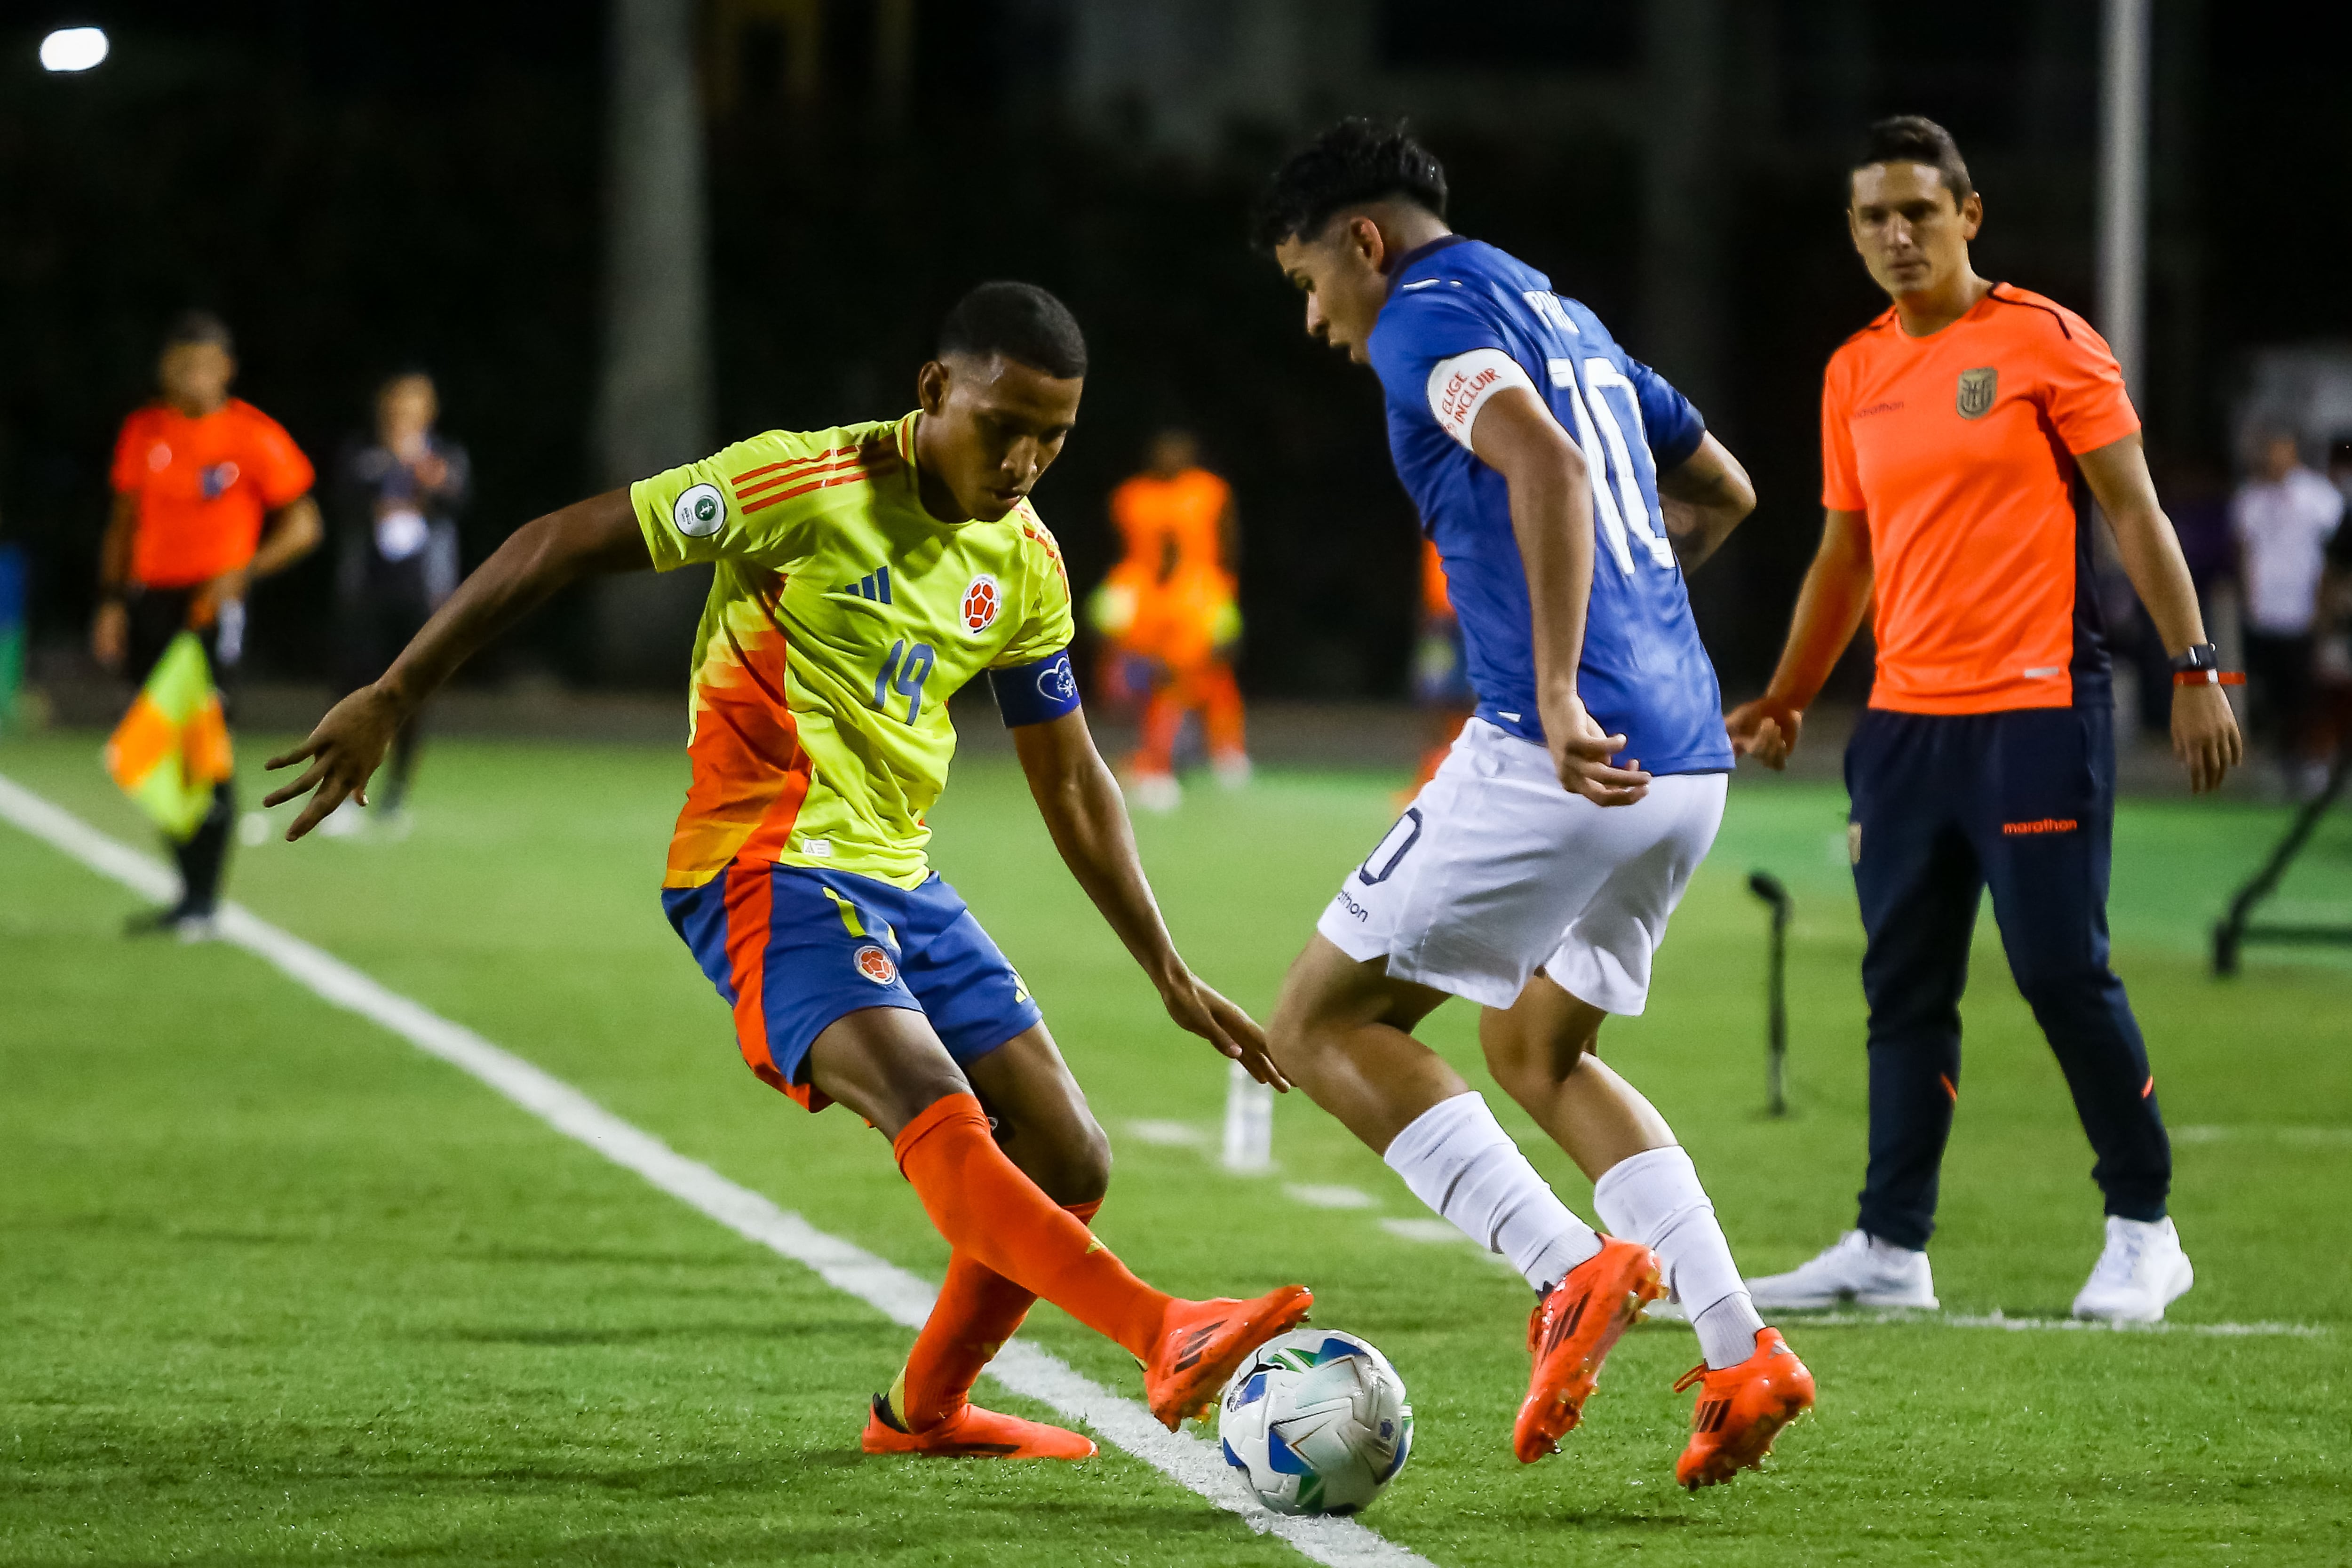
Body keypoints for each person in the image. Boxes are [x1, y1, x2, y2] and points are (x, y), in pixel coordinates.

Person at [263, 282, 1310, 1460]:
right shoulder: (802, 486)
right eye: (1003, 424)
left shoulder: (1027, 564)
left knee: (1071, 1156)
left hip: (901, 878)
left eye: (1053, 438)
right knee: (937, 1108)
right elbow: (557, 542)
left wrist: (1167, 971)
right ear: (934, 391)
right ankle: (1161, 1325)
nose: (1023, 461)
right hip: (761, 864)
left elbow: (1069, 778)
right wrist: (398, 691)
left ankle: (925, 1415)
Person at [1252, 119, 1811, 1491]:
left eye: (1308, 280)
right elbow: (1724, 488)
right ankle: (1740, 1352)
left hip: (1558, 752)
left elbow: (1547, 468)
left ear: (1362, 242)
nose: (1317, 319)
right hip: (1682, 763)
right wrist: (1639, 611)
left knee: (1317, 1027)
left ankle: (1568, 1271)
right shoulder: (1557, 306)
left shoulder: (1419, 319)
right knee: (1537, 1051)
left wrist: (1561, 688)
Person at [1728, 118, 2243, 1325]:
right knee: (1903, 987)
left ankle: (2143, 1227)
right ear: (1853, 231)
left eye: (1918, 210)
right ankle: (1888, 1246)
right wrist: (1791, 693)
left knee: (2062, 969)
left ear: (1968, 214)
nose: (1896, 235)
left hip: (2035, 708)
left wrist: (2197, 667)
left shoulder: (2045, 343)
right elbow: (1843, 555)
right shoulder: (1852, 369)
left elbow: (2136, 512)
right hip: (1905, 728)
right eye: (1872, 216)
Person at [94, 310, 321, 936]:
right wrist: (112, 600)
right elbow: (124, 521)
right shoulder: (145, 430)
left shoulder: (251, 436)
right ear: (165, 367)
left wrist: (242, 573)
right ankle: (187, 890)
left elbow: (305, 524)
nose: (193, 375)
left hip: (210, 609)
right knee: (157, 744)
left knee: (204, 746)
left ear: (227, 369)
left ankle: (203, 899)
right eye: (182, 362)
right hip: (149, 604)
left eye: (205, 363)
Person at [319, 369, 473, 835]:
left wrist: (430, 481)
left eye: (415, 405)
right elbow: (341, 501)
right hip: (366, 591)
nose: (405, 413)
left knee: (412, 696)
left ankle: (396, 796)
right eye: (398, 403)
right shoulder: (362, 454)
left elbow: (458, 502)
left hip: (422, 594)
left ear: (429, 411)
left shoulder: (444, 455)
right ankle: (342, 790)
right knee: (355, 691)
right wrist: (385, 480)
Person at [1092, 429, 1248, 810]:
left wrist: (1228, 589)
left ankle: (1222, 749)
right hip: (1143, 587)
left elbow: (1229, 540)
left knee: (1211, 669)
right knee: (1139, 671)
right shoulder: (1131, 495)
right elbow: (1119, 545)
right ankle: (1148, 752)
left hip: (1202, 589)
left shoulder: (1209, 490)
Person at [2231, 429, 2341, 789]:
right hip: (2263, 610)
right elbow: (2244, 552)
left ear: (2293, 452)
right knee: (2268, 689)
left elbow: (2332, 556)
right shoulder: (2250, 499)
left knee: (2304, 689)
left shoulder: (2320, 498)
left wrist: (2323, 605)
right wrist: (2247, 599)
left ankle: (2310, 759)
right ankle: (2279, 759)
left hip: (2302, 608)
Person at [1405, 537, 1474, 797]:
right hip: (1440, 620)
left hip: (1468, 617)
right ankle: (1428, 774)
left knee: (1467, 702)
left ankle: (1460, 774)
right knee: (1434, 699)